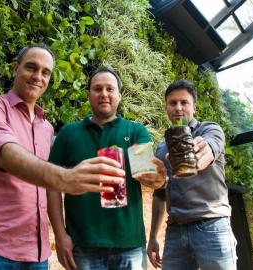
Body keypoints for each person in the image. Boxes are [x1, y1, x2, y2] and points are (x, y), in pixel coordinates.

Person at [0, 45, 125, 270]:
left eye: (45, 72)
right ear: (16, 68)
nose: (38, 76)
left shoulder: (47, 127)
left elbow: (45, 188)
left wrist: (160, 179)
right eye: (31, 68)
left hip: (37, 254)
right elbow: (6, 154)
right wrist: (65, 179)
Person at [47, 66, 167, 270]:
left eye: (110, 89)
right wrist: (60, 235)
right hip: (83, 244)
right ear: (89, 95)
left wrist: (157, 177)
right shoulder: (68, 133)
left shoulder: (135, 131)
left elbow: (146, 173)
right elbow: (51, 186)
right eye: (98, 89)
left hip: (130, 245)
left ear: (119, 96)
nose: (104, 94)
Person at [147, 80, 237, 270]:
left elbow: (212, 144)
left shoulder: (209, 129)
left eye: (184, 102)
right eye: (172, 103)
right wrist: (153, 236)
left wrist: (203, 153)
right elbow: (160, 195)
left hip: (212, 227)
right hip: (175, 232)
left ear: (194, 107)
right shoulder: (162, 147)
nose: (178, 108)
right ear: (166, 108)